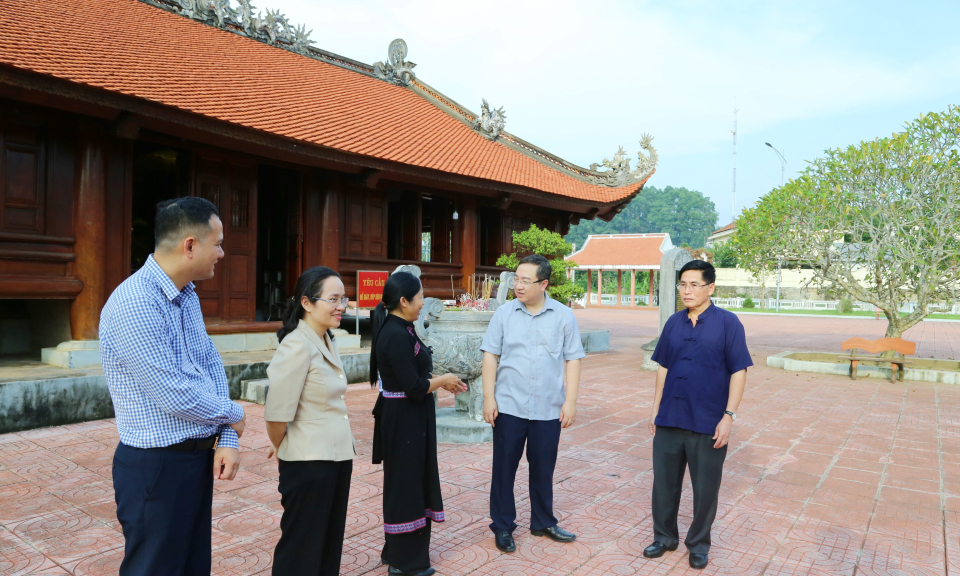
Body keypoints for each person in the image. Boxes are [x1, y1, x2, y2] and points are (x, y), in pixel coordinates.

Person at [99, 197, 246, 576]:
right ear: (190, 246)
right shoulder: (135, 302)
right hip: (156, 466)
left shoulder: (186, 295)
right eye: (217, 242)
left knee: (192, 566)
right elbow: (172, 393)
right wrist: (234, 413)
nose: (223, 252)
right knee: (156, 567)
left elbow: (209, 364)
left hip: (194, 459)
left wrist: (226, 436)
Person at [644, 259, 752, 570]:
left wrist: (729, 415)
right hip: (670, 418)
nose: (686, 291)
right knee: (664, 485)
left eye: (694, 284)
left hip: (708, 421)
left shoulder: (728, 323)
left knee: (705, 489)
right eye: (682, 284)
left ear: (711, 287)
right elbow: (663, 366)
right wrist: (654, 410)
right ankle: (664, 538)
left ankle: (699, 543)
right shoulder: (673, 323)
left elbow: (739, 371)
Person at [480, 254, 585, 554]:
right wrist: (489, 398)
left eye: (526, 281)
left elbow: (573, 358)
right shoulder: (504, 314)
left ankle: (542, 521)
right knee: (504, 469)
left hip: (549, 408)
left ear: (544, 284)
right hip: (509, 406)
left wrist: (571, 402)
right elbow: (490, 355)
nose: (519, 286)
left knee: (543, 468)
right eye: (516, 279)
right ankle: (502, 526)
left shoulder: (564, 316)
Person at [370, 271, 466, 576]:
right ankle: (404, 561)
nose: (423, 302)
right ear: (403, 301)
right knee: (406, 486)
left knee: (409, 481)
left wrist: (438, 383)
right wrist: (443, 380)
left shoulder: (403, 328)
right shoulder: (395, 333)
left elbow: (414, 377)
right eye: (420, 297)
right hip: (403, 418)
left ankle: (397, 551)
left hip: (411, 416)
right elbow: (412, 387)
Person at [264, 266, 355, 576]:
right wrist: (285, 446)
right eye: (333, 299)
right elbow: (277, 416)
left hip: (336, 458)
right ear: (306, 303)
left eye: (344, 299)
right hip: (308, 463)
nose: (341, 306)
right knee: (302, 548)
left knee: (328, 544)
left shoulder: (326, 339)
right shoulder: (296, 345)